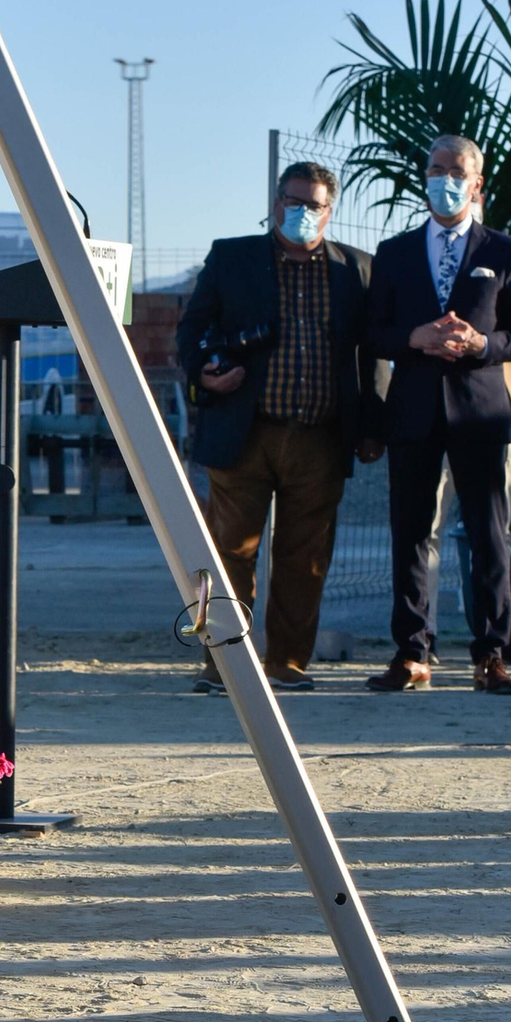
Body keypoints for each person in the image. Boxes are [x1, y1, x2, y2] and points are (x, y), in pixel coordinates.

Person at [177, 161, 383, 693]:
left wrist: (371, 424)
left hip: (319, 434)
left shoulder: (354, 270)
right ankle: (222, 663)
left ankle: (287, 662)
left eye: (314, 205)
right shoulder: (233, 257)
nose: (302, 213)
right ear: (275, 204)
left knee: (305, 559)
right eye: (293, 202)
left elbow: (370, 352)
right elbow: (193, 327)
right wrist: (205, 371)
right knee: (227, 553)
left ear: (329, 211)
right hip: (244, 431)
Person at [365, 135, 511, 696]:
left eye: (456, 170)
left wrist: (481, 344)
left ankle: (490, 655)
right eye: (436, 168)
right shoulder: (394, 253)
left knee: (491, 537)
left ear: (477, 183)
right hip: (413, 413)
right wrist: (412, 338)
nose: (445, 178)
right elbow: (372, 333)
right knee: (412, 534)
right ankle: (413, 652)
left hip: (483, 414)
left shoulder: (506, 252)